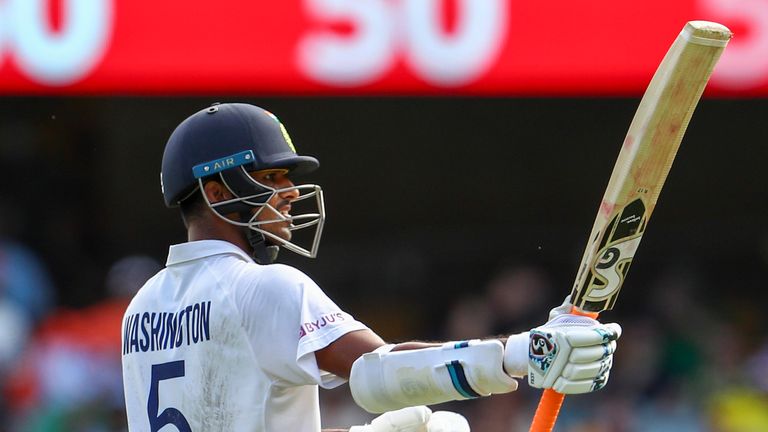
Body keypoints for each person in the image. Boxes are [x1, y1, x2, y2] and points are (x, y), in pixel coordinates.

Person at [120, 103, 622, 432]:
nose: (291, 193)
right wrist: (520, 354)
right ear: (216, 191)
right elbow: (376, 375)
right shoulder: (262, 288)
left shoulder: (138, 310)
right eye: (272, 176)